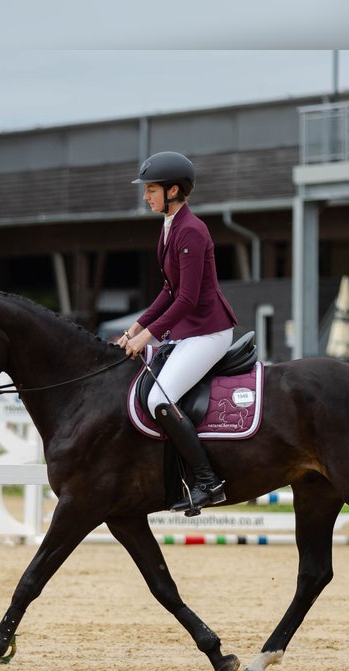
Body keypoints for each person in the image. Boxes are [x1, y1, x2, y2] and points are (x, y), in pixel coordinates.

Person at [116, 151, 238, 515]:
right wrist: (135, 327)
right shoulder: (169, 226)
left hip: (209, 332)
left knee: (158, 399)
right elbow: (169, 290)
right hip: (189, 331)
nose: (145, 196)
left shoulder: (192, 230)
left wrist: (147, 337)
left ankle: (208, 481)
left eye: (150, 189)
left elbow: (186, 298)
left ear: (173, 190)